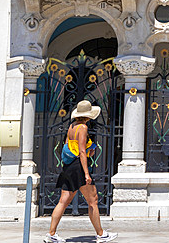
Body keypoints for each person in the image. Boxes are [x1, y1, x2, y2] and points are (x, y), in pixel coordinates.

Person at [44, 99, 117, 243]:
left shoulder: (71, 126)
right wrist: (86, 173)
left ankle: (51, 234)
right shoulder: (83, 128)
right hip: (79, 167)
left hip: (69, 166)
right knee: (93, 200)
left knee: (63, 201)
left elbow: (68, 146)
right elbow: (82, 152)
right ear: (88, 115)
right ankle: (101, 234)